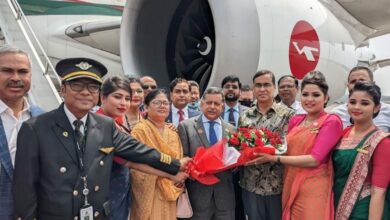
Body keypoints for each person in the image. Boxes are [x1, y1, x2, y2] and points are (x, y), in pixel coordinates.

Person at [12, 58, 191, 220]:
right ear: (63, 89)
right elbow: (24, 188)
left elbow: (138, 151)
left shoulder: (105, 125)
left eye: (92, 87)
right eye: (77, 85)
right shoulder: (36, 128)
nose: (85, 92)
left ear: (98, 94)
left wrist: (174, 164)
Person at [249, 71, 343, 219]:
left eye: (316, 95)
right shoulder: (296, 120)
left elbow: (314, 160)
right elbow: (285, 149)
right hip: (290, 180)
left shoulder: (331, 121)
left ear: (326, 98)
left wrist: (273, 158)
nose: (309, 99)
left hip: (313, 186)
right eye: (305, 94)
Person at [238, 70, 294, 220]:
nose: (262, 89)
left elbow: (291, 146)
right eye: (258, 85)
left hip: (277, 184)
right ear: (253, 89)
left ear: (274, 87)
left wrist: (271, 155)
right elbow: (238, 145)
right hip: (250, 183)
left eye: (266, 85)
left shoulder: (288, 115)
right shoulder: (244, 116)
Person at [333, 82, 390, 220]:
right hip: (336, 203)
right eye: (352, 102)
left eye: (365, 103)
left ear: (376, 108)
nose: (357, 107)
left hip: (364, 210)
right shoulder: (342, 134)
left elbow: (378, 192)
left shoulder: (382, 142)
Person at [0, 45, 44, 219]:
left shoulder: (43, 118)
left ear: (30, 76)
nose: (16, 78)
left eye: (23, 72)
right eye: (7, 71)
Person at [178, 87, 236, 220]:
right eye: (209, 103)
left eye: (216, 104)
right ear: (201, 103)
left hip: (225, 197)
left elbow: (235, 161)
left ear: (222, 106)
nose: (212, 107)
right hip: (198, 196)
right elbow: (182, 157)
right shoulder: (186, 126)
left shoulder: (232, 129)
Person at [130, 89, 185, 220]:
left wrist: (179, 176)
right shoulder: (139, 130)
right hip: (149, 188)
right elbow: (135, 164)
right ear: (146, 107)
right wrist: (163, 174)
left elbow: (180, 159)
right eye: (157, 103)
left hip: (170, 187)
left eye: (165, 103)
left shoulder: (172, 132)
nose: (162, 106)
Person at [332, 66, 390, 132]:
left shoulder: (388, 111)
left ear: (373, 84)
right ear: (348, 86)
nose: (357, 84)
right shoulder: (336, 113)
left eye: (362, 80)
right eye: (353, 81)